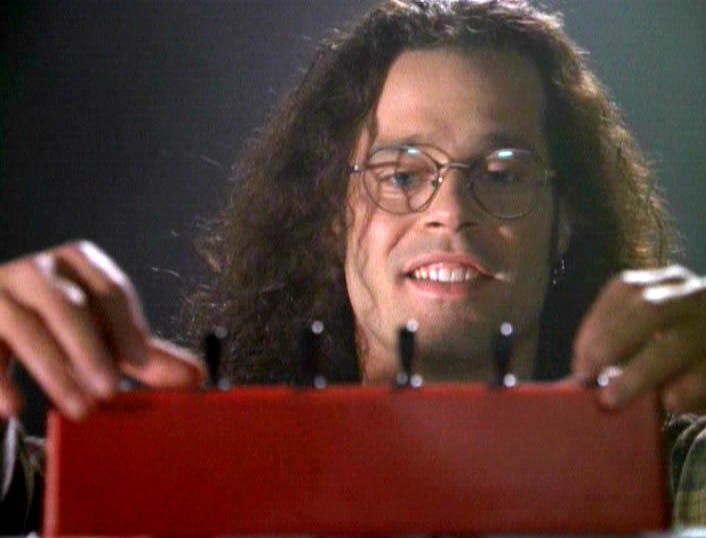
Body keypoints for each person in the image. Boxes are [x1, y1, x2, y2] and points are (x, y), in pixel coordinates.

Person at [1, 0, 705, 531]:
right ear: (333, 214)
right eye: (401, 174)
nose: (450, 211)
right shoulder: (182, 470)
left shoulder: (661, 471)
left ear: (565, 222)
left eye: (502, 173)